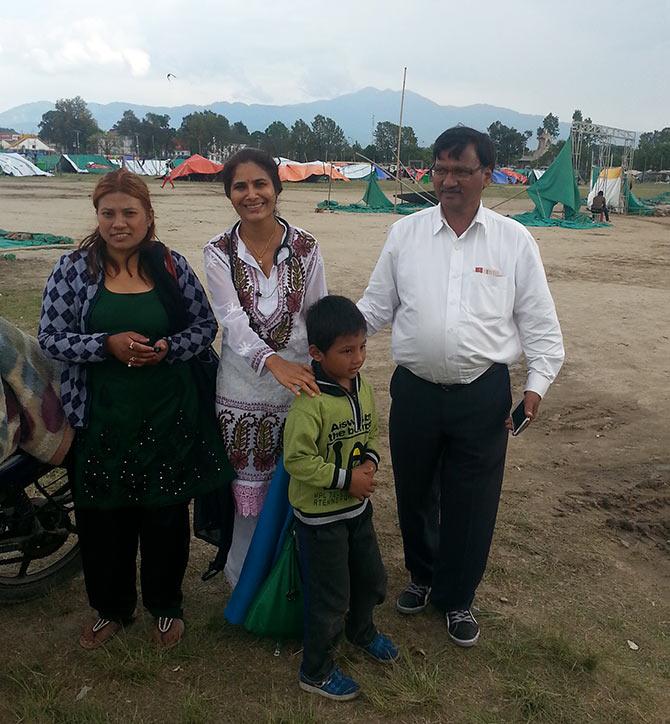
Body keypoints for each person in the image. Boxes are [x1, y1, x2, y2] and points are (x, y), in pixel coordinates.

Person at [357, 126, 565, 647]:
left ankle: (458, 597)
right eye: (440, 168)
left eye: (461, 170)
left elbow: (540, 322)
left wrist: (536, 384)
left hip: (481, 394)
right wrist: (331, 335)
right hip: (416, 393)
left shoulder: (514, 241)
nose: (448, 180)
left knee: (472, 500)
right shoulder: (405, 235)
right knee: (414, 491)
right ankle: (423, 578)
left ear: (486, 176)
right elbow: (376, 307)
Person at [38, 168, 233, 650]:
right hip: (101, 418)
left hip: (167, 413)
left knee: (165, 516)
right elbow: (50, 338)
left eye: (129, 213)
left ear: (149, 216)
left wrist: (166, 347)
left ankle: (166, 607)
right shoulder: (73, 270)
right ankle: (112, 609)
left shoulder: (170, 266)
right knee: (105, 519)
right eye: (108, 214)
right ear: (97, 216)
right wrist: (107, 345)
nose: (118, 223)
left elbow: (203, 326)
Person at [203, 148, 327, 586]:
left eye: (260, 184)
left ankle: (291, 585)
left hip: (299, 388)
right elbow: (231, 321)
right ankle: (245, 585)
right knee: (249, 497)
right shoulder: (218, 252)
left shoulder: (307, 247)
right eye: (240, 186)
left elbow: (316, 315)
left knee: (297, 487)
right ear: (229, 194)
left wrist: (325, 371)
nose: (251, 194)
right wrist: (272, 362)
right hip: (243, 391)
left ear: (277, 187)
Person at [283, 295, 398, 701]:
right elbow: (296, 460)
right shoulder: (309, 402)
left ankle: (361, 631)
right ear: (316, 353)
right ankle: (315, 670)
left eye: (362, 347)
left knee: (372, 579)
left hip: (357, 512)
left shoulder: (362, 387)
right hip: (320, 521)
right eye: (346, 351)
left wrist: (369, 462)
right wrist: (345, 479)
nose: (358, 358)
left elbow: (369, 432)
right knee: (330, 597)